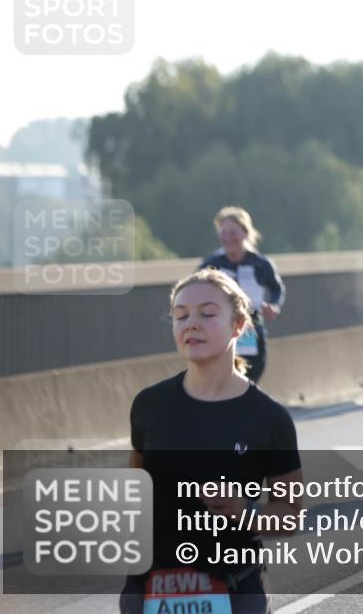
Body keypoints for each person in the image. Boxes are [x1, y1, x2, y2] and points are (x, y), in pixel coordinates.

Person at [122, 269, 303, 614]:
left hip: (233, 591)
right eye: (180, 315)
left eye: (207, 313)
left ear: (238, 325)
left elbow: (290, 516)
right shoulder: (149, 404)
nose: (191, 323)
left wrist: (245, 512)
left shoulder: (269, 418)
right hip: (150, 589)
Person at [200, 207, 285, 382]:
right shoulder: (212, 263)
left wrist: (273, 305)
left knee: (250, 378)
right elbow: (196, 289)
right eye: (224, 233)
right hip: (220, 326)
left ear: (245, 232)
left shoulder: (260, 263)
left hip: (250, 326)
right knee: (223, 378)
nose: (228, 238)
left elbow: (277, 288)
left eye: (233, 233)